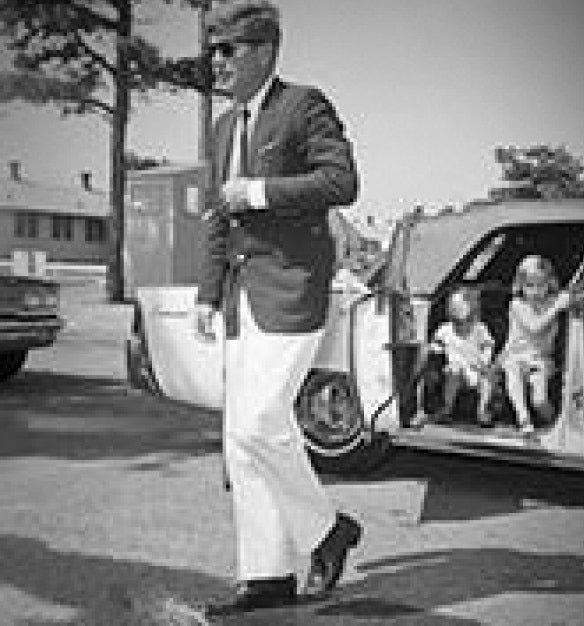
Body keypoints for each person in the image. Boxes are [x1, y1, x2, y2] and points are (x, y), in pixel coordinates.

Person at [194, 1, 361, 616]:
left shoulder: (304, 106)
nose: (217, 61)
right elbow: (218, 216)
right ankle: (265, 577)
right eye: (213, 51)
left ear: (264, 50)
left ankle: (327, 532)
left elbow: (341, 182)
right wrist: (207, 292)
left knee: (259, 423)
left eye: (228, 50)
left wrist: (258, 191)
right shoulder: (222, 128)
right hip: (239, 299)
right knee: (240, 445)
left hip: (291, 291)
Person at [499, 255, 571, 439]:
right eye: (530, 286)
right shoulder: (518, 305)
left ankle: (553, 422)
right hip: (516, 355)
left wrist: (567, 299)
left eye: (541, 285)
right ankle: (523, 419)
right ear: (520, 286)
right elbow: (535, 327)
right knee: (513, 372)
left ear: (550, 283)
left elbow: (569, 298)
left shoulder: (553, 301)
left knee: (540, 401)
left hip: (541, 359)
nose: (536, 291)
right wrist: (557, 307)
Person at [428, 287, 496, 426]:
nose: (457, 309)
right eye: (454, 306)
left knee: (487, 379)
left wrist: (484, 361)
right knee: (454, 371)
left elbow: (488, 345)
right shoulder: (445, 329)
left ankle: (483, 411)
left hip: (475, 369)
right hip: (456, 370)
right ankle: (447, 408)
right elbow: (436, 344)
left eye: (462, 305)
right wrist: (436, 350)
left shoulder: (479, 328)